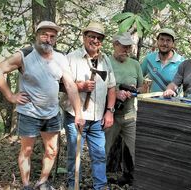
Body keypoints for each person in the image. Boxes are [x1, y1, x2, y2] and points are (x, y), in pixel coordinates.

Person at [0, 20, 84, 190]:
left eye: (52, 36)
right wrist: (11, 96)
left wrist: (78, 112)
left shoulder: (60, 58)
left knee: (52, 150)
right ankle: (27, 185)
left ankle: (42, 182)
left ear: (55, 39)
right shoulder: (25, 54)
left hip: (52, 113)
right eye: (44, 35)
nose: (48, 39)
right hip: (29, 112)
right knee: (27, 150)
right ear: (37, 35)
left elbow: (70, 85)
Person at [60, 22, 116, 190]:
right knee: (74, 155)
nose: (95, 40)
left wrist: (109, 112)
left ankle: (100, 186)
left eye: (99, 37)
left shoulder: (105, 60)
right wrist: (80, 86)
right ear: (84, 37)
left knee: (99, 155)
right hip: (75, 116)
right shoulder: (71, 57)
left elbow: (112, 87)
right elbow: (62, 85)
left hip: (97, 118)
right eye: (91, 36)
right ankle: (73, 185)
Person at [105, 32, 144, 187]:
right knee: (103, 150)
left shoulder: (135, 64)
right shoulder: (105, 62)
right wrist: (115, 92)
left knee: (137, 150)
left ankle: (142, 182)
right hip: (110, 115)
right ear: (115, 44)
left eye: (129, 47)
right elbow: (99, 87)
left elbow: (142, 88)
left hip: (129, 115)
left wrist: (133, 91)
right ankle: (99, 181)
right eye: (123, 46)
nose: (126, 50)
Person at [141, 28, 184, 92]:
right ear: (157, 41)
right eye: (162, 39)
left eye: (168, 40)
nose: (164, 43)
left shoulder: (181, 62)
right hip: (150, 100)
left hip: (172, 101)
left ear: (173, 43)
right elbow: (138, 77)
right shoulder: (149, 59)